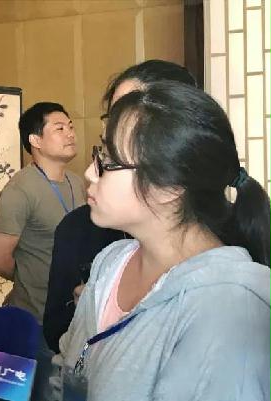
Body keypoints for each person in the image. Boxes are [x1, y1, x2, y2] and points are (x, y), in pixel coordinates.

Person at [58, 81, 271, 400]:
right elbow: (68, 373)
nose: (90, 172)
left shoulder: (227, 307)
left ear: (170, 187)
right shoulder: (111, 262)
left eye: (108, 160)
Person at [44, 60, 197, 353]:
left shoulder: (226, 281)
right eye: (114, 114)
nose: (92, 172)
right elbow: (58, 336)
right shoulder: (85, 237)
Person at [0, 102, 86, 401]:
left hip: (72, 319)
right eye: (60, 128)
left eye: (71, 126)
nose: (70, 133)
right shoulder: (20, 190)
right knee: (17, 395)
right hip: (32, 318)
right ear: (35, 140)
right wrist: (33, 278)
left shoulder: (78, 183)